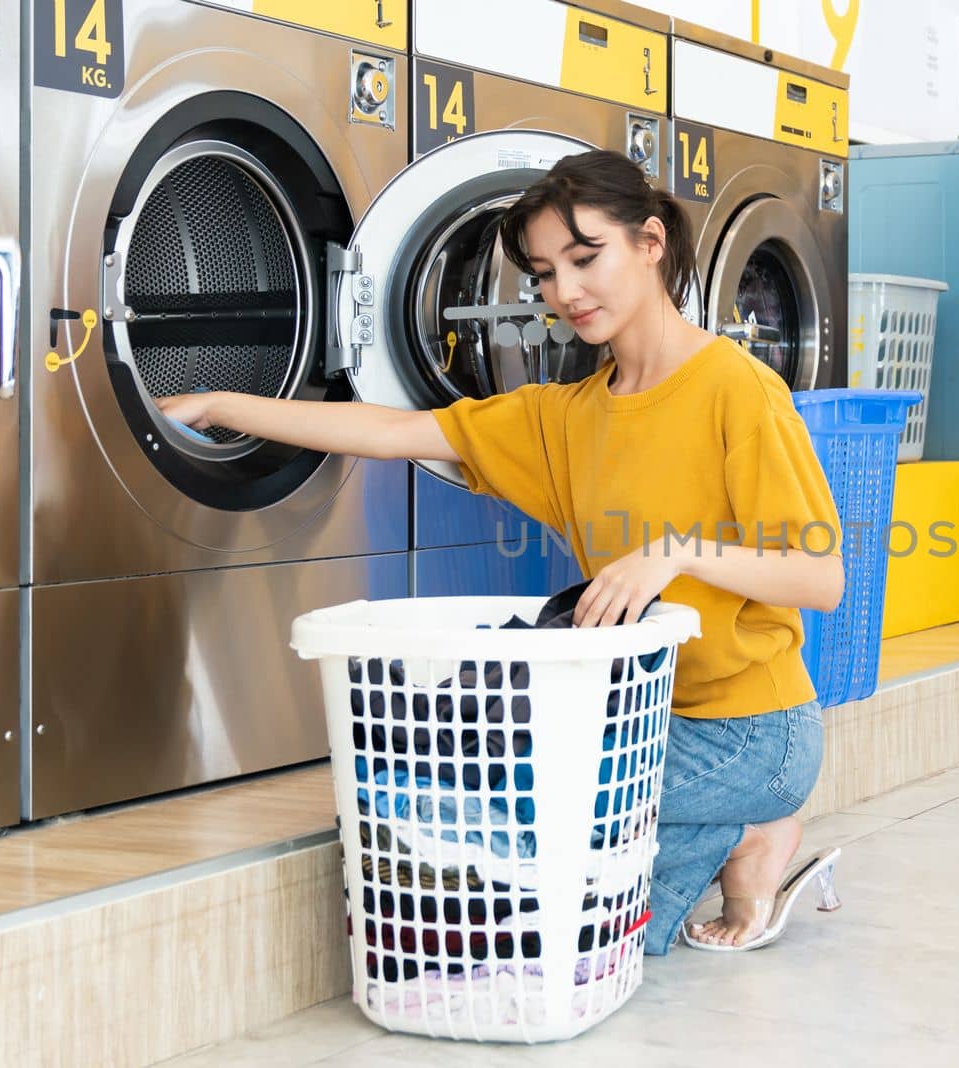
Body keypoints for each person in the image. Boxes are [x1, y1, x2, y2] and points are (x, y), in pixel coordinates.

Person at [158, 150, 845, 952]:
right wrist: (220, 403)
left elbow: (821, 577)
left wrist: (678, 552)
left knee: (543, 859)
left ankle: (754, 826)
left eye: (586, 259)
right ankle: (734, 843)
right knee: (563, 916)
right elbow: (391, 431)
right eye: (546, 273)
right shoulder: (565, 416)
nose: (566, 292)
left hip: (753, 732)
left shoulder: (737, 387)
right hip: (636, 720)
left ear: (651, 243)